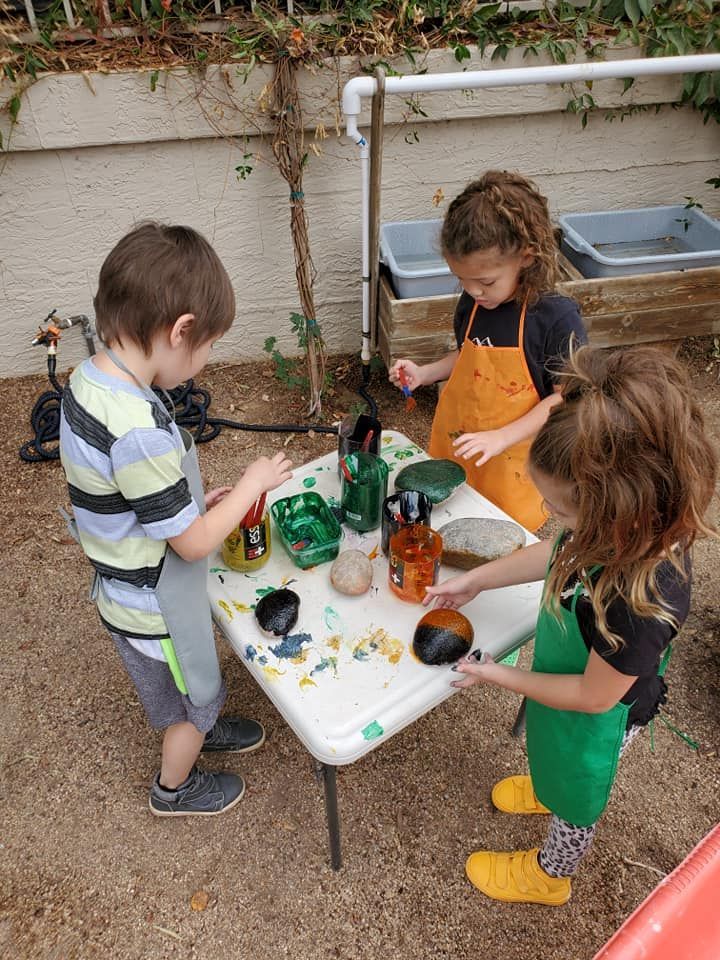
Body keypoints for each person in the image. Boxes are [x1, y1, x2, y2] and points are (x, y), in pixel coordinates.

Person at [424, 344, 717, 905]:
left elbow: (589, 697)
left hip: (602, 713)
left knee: (577, 799)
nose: (549, 518)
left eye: (558, 508)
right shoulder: (616, 526)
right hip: (570, 684)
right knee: (551, 753)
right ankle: (545, 786)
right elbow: (558, 552)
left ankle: (550, 873)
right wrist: (478, 579)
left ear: (616, 510)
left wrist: (495, 675)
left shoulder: (645, 599)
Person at [59, 222, 293, 817]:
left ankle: (200, 726)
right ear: (180, 330)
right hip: (154, 603)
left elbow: (141, 499)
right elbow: (191, 546)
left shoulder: (91, 379)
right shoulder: (138, 429)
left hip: (124, 583)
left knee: (183, 687)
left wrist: (188, 505)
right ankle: (175, 787)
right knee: (193, 701)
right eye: (209, 345)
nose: (207, 360)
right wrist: (250, 486)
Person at [389, 170, 586, 531]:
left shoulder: (556, 318)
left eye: (485, 281)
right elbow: (470, 356)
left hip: (514, 458)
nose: (473, 291)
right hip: (463, 440)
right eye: (461, 279)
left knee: (502, 533)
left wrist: (502, 437)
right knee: (455, 517)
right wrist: (426, 372)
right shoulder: (473, 304)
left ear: (526, 257)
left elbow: (565, 401)